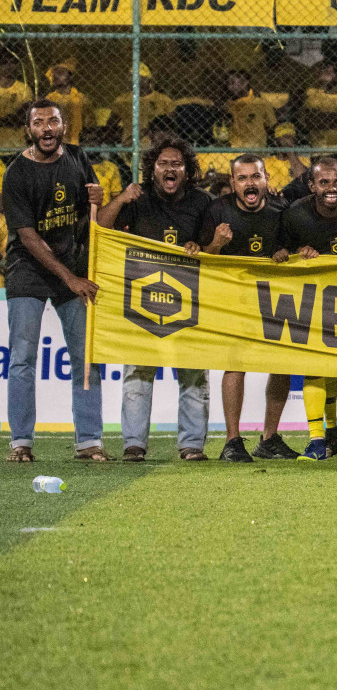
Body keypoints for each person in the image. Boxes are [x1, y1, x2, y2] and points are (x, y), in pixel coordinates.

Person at [96, 137, 217, 462]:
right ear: (153, 170)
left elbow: (215, 251)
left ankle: (192, 445)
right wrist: (121, 198)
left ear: (187, 171)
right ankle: (133, 445)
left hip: (191, 300)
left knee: (193, 372)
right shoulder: (137, 200)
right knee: (137, 372)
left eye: (176, 163)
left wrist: (200, 247)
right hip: (142, 300)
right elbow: (100, 229)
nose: (170, 168)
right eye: (163, 163)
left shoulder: (203, 202)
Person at [4, 99, 106, 463]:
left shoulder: (78, 158)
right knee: (22, 359)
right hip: (29, 270)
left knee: (85, 358)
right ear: (28, 130)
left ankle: (89, 441)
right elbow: (29, 238)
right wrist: (72, 278)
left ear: (64, 126)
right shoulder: (16, 173)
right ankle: (20, 442)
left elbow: (91, 217)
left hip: (72, 267)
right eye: (38, 122)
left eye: (53, 121)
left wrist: (100, 198)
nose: (46, 128)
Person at [200, 155, 298, 463]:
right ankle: (232, 441)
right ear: (232, 184)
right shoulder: (216, 211)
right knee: (234, 362)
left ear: (267, 178)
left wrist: (287, 253)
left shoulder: (282, 212)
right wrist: (215, 244)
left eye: (255, 176)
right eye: (242, 178)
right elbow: (200, 258)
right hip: (233, 300)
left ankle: (269, 439)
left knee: (283, 363)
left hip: (275, 298)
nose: (250, 183)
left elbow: (293, 251)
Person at [280, 156, 337, 460]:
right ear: (311, 186)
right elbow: (279, 251)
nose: (331, 188)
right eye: (323, 182)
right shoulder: (296, 215)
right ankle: (317, 439)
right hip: (314, 300)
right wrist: (296, 252)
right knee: (316, 365)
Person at [299, 62, 337, 148]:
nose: (325, 71)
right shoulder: (313, 96)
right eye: (324, 69)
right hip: (319, 147)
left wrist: (323, 116)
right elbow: (313, 123)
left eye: (330, 70)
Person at [225, 70, 279, 149]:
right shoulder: (229, 105)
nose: (230, 87)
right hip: (233, 151)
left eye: (233, 82)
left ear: (245, 82)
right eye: (228, 84)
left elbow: (272, 126)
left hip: (256, 149)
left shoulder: (261, 103)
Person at [43, 61, 90, 146]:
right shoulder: (49, 98)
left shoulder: (80, 98)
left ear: (70, 76)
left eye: (61, 73)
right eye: (54, 73)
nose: (56, 75)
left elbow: (88, 121)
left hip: (77, 141)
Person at [0, 54, 32, 151]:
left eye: (13, 62)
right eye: (5, 63)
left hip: (18, 146)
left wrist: (4, 120)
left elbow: (22, 118)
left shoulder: (23, 89)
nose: (10, 66)